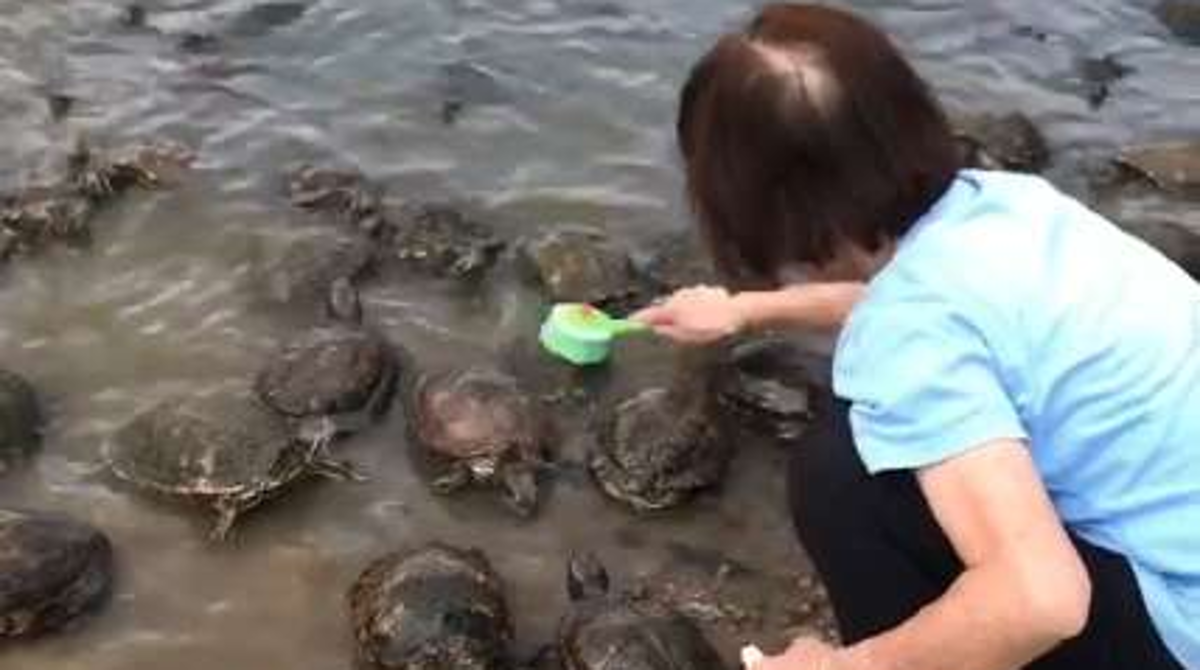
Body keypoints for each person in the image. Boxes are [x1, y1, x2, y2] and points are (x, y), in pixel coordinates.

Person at [631, 4, 1197, 670]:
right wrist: (744, 311)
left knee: (840, 476)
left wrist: (849, 666)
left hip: (1181, 622)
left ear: (754, 202)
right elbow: (925, 305)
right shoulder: (1007, 205)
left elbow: (1045, 598)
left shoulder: (908, 337)